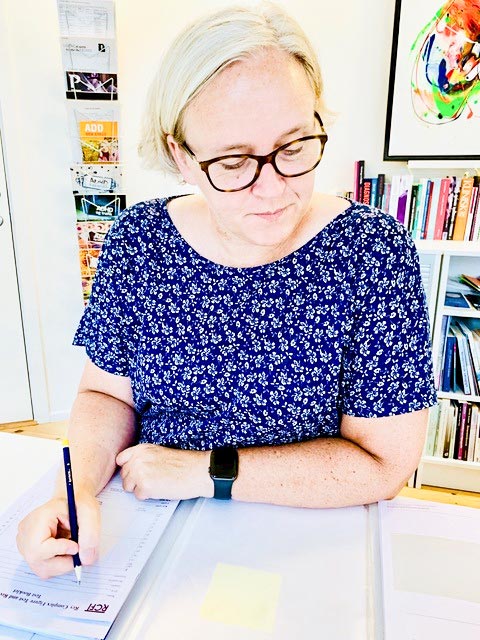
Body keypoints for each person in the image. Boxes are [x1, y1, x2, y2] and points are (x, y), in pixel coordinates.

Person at [17, 1, 437, 580]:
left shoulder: (372, 253)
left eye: (294, 146)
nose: (273, 188)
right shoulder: (139, 241)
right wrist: (77, 492)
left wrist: (206, 471)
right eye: (234, 161)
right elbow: (106, 396)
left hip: (306, 548)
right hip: (150, 531)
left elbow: (384, 464)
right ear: (181, 156)